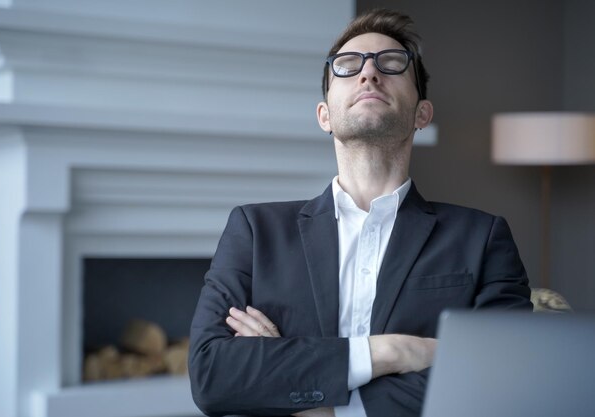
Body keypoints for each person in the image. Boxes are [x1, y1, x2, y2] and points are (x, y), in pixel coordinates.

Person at [188, 8, 532, 417]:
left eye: (391, 63)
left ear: (422, 113)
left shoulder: (482, 237)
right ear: (325, 116)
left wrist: (322, 405)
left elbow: (504, 373)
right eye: (348, 67)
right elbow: (212, 376)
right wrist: (395, 351)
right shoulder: (254, 230)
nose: (369, 74)